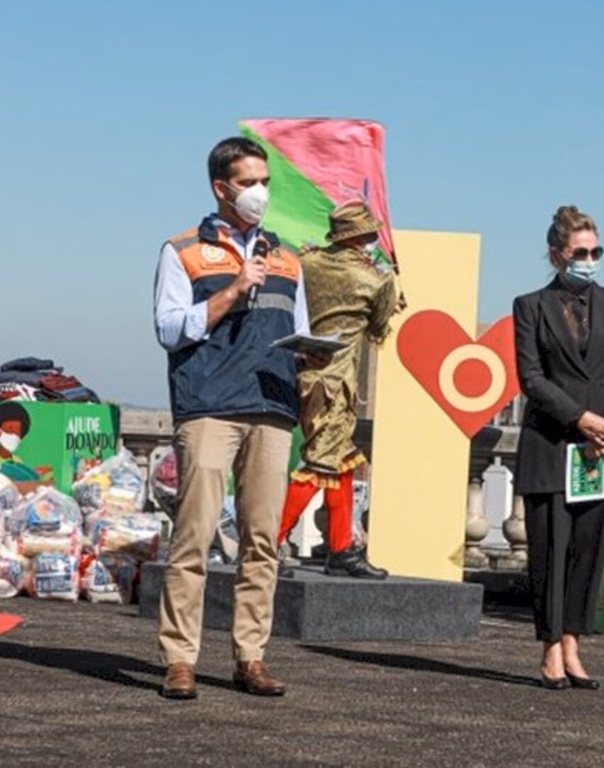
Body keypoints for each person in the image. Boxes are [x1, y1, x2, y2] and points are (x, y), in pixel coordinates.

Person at [153, 137, 322, 700]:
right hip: (209, 407)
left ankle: (250, 655)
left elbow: (294, 326)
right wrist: (232, 289)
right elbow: (169, 329)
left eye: (265, 181)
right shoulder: (182, 251)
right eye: (249, 182)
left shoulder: (286, 257)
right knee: (194, 536)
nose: (261, 193)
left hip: (272, 405)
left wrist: (311, 352)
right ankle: (180, 658)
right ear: (220, 188)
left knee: (262, 540)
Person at [512, 204, 604, 690]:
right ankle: (548, 647)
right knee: (549, 549)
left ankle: (573, 643)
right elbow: (531, 376)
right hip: (551, 443)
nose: (589, 259)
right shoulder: (530, 306)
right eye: (580, 252)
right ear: (556, 254)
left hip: (601, 448)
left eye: (596, 251)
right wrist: (579, 417)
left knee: (588, 551)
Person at [277, 202, 400, 579]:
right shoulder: (376, 279)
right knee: (318, 465)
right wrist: (390, 297)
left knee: (341, 458)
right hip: (337, 384)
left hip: (304, 375)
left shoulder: (307, 263)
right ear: (362, 239)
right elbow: (379, 330)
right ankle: (268, 542)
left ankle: (340, 548)